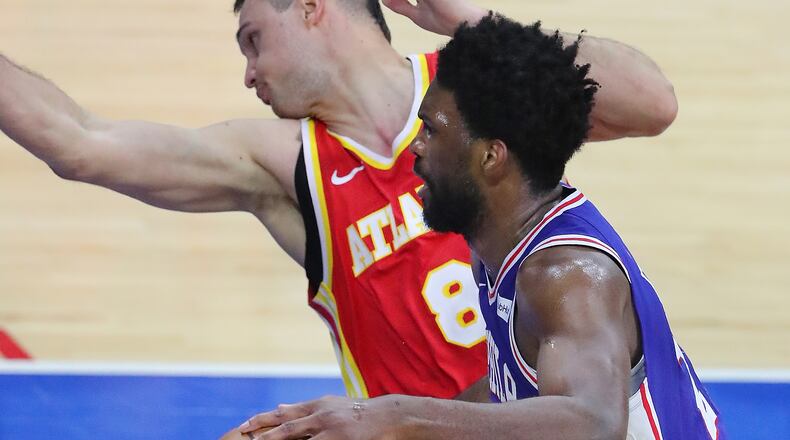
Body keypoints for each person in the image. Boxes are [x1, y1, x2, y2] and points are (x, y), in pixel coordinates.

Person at [0, 0, 677, 400]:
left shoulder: (478, 82)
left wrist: (468, 18)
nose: (248, 74)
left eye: (254, 39)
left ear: (313, 7)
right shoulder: (283, 165)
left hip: (571, 414)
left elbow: (653, 102)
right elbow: (80, 143)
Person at [236, 14, 722, 440]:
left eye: (431, 129)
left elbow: (592, 423)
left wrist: (391, 417)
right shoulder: (501, 246)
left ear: (491, 157)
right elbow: (512, 394)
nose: (415, 148)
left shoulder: (564, 274)